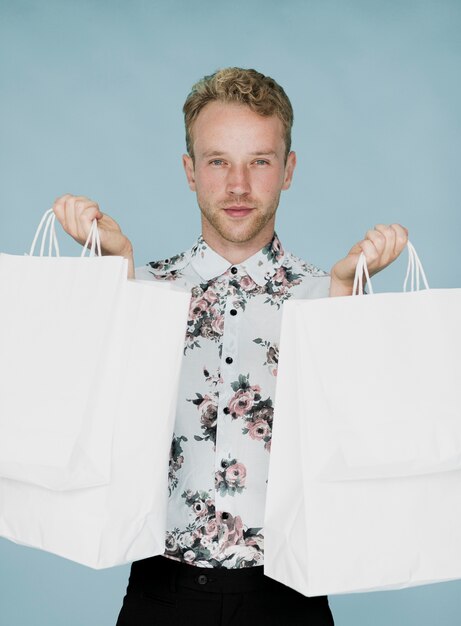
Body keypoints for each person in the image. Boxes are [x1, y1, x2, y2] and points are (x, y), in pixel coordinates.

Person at [52, 67, 408, 626]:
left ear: (288, 170)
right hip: (159, 597)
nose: (238, 185)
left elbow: (359, 449)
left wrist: (348, 299)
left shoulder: (328, 294)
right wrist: (113, 274)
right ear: (190, 172)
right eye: (218, 161)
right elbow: (93, 424)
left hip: (289, 599)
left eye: (259, 161)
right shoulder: (142, 291)